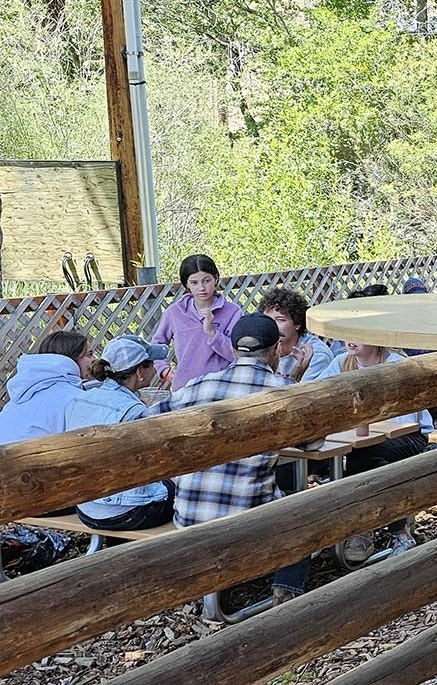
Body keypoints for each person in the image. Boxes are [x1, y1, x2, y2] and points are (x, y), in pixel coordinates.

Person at [145, 314, 308, 604]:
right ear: (276, 351)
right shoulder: (283, 391)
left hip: (188, 519)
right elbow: (313, 440)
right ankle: (287, 592)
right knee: (308, 510)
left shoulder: (199, 386)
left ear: (232, 350)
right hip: (246, 526)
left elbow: (150, 420)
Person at [310, 338, 427, 557]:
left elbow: (408, 422)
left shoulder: (397, 365)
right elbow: (312, 396)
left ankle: (365, 530)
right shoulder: (341, 362)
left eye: (357, 335)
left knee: (365, 457)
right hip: (357, 440)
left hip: (410, 434)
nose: (349, 341)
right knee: (363, 459)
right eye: (346, 334)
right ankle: (395, 530)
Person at [65, 336, 174, 530]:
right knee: (178, 489)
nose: (156, 370)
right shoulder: (132, 411)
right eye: (151, 365)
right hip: (128, 513)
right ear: (140, 372)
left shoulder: (79, 399)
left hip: (84, 505)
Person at [150, 254, 244, 389]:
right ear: (186, 284)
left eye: (206, 281)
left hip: (222, 388)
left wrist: (212, 333)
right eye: (194, 282)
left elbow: (238, 354)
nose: (201, 288)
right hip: (185, 390)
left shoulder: (233, 312)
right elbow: (156, 345)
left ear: (216, 279)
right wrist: (165, 370)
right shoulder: (175, 312)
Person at [0, 330, 92, 446]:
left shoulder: (24, 390)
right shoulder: (74, 398)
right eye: (89, 355)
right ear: (72, 357)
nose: (94, 360)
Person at [259, 288, 335, 383]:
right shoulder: (259, 347)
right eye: (267, 319)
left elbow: (305, 395)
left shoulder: (317, 354)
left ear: (298, 323)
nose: (272, 326)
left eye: (281, 320)